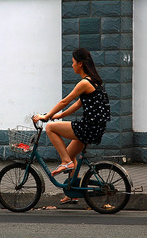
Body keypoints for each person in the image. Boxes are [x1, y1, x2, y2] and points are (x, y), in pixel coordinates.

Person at [32, 48, 110, 204]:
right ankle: (72, 193)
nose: (72, 65)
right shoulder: (94, 81)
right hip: (95, 128)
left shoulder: (84, 83)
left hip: (88, 127)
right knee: (69, 153)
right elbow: (77, 104)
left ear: (80, 64)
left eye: (73, 62)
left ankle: (65, 162)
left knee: (50, 129)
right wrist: (58, 116)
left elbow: (64, 101)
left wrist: (46, 117)